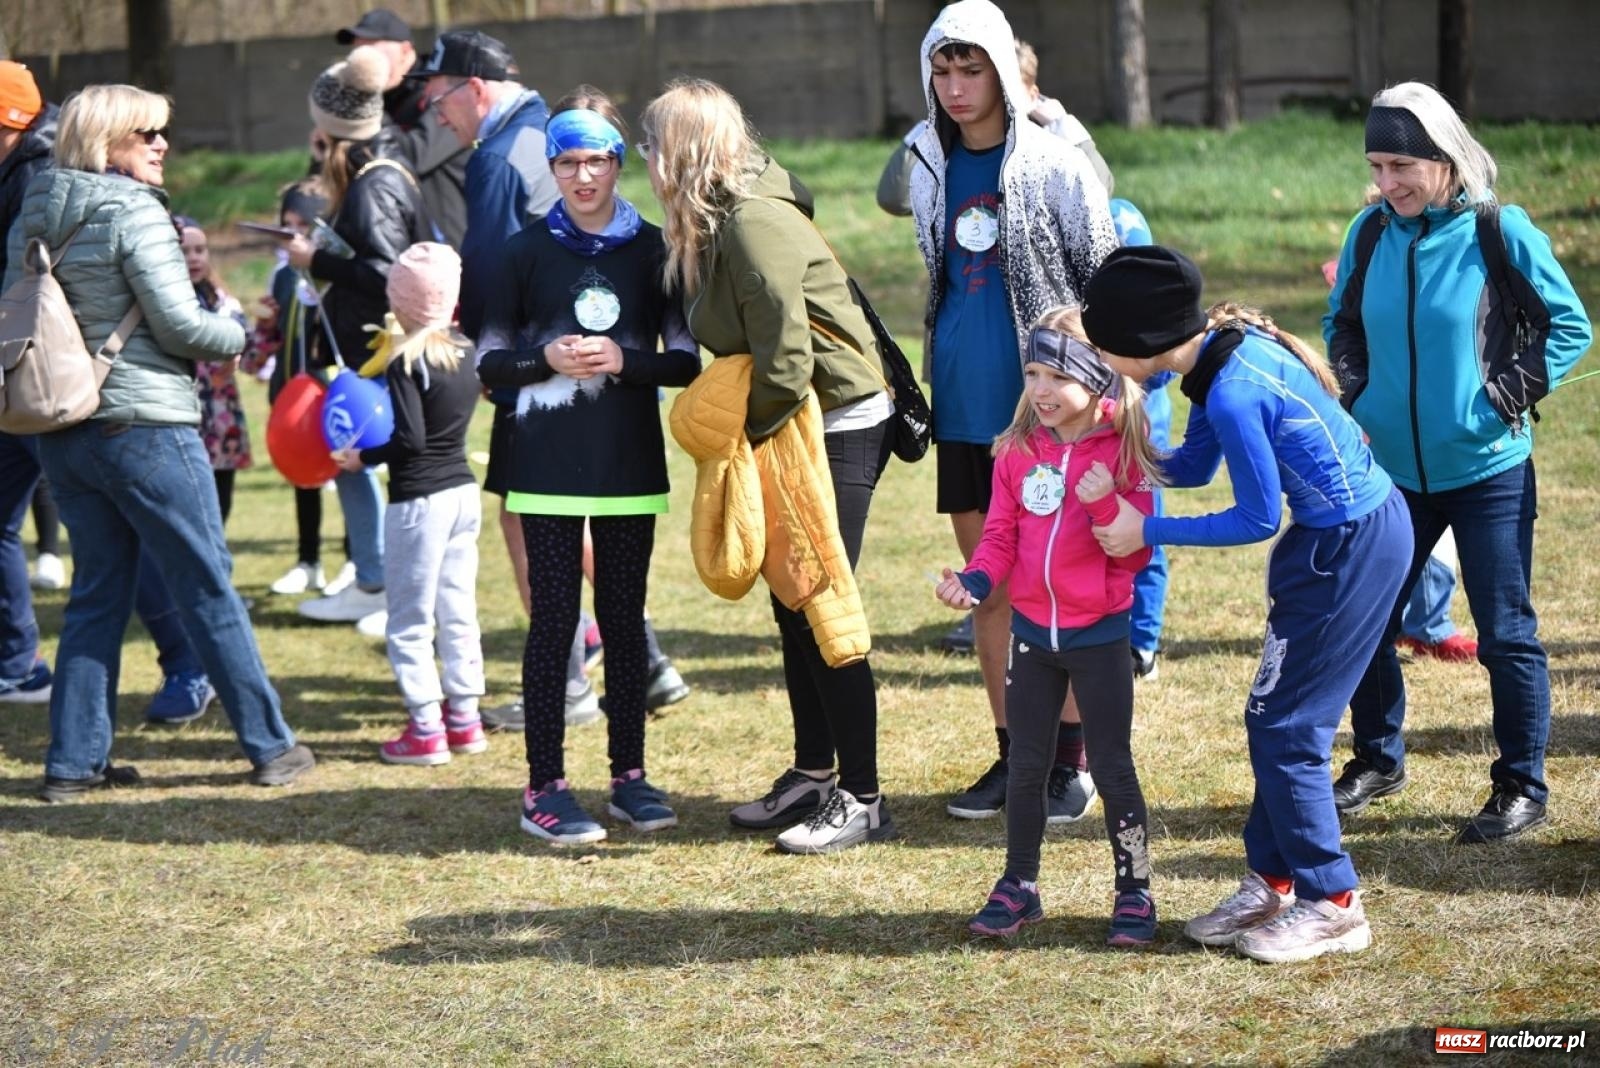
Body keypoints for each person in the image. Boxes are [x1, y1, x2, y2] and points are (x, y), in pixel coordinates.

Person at [1083, 244, 1410, 964]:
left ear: (1140, 342)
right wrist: (1120, 450)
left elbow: (1257, 518)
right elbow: (1194, 466)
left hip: (1348, 550)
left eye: (1102, 341)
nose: (1098, 354)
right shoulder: (1215, 361)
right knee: (1273, 718)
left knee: (1288, 729)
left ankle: (1335, 904)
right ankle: (1272, 882)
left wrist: (1147, 528)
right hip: (1337, 544)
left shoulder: (1231, 388)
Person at [5, 84, 314, 797]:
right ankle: (272, 747)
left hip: (63, 429)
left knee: (95, 597)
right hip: (145, 427)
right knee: (207, 586)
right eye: (147, 133)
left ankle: (72, 765)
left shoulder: (35, 207)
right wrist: (238, 334)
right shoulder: (134, 211)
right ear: (110, 140)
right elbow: (179, 326)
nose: (161, 144)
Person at [1325, 82, 1592, 843]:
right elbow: (1341, 322)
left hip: (1488, 472)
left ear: (1445, 159)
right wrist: (1360, 392)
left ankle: (1520, 785)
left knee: (1505, 631)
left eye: (1402, 164)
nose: (1387, 183)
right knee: (1365, 617)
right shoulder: (1369, 233)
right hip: (1393, 475)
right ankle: (1377, 758)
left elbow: (1568, 327)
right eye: (1377, 165)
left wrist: (1497, 401)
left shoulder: (1497, 231)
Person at [642, 77, 896, 854]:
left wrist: (740, 436)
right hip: (793, 417)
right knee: (790, 598)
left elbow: (785, 358)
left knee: (820, 601)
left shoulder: (751, 222)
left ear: (681, 152)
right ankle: (815, 771)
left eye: (650, 146)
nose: (643, 161)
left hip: (835, 421)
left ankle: (862, 795)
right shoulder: (718, 220)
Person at [906, 0, 1119, 825]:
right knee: (989, 589)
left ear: (1002, 69)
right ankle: (1013, 756)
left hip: (1045, 409)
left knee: (1054, 588)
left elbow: (1104, 277)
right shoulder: (925, 157)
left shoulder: (1058, 163)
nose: (956, 89)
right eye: (943, 71)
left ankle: (1071, 764)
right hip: (962, 408)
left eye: (972, 70)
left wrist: (1092, 393)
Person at [478, 91, 700, 843]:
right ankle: (544, 786)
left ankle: (628, 776)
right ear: (552, 168)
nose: (582, 176)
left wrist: (625, 361)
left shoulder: (654, 252)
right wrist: (542, 358)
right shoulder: (521, 253)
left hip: (628, 464)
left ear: (616, 163)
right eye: (567, 163)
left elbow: (686, 362)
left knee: (624, 620)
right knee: (553, 624)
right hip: (543, 463)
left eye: (595, 161)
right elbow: (488, 364)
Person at [934, 309, 1159, 946]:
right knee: (1027, 766)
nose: (1039, 389)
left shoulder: (1125, 452)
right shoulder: (1016, 452)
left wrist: (1101, 502)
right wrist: (975, 581)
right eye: (1032, 372)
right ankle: (1019, 884)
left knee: (1113, 769)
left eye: (1057, 374)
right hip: (1032, 638)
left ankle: (1135, 889)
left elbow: (1137, 551)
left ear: (1096, 377)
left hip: (1100, 640)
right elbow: (1000, 536)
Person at [283, 46, 433, 633]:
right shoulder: (375, 168)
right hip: (370, 351)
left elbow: (392, 271)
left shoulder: (372, 185)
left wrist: (317, 257)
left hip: (383, 352)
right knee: (362, 464)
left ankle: (386, 590)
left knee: (379, 466)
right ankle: (377, 582)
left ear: (330, 126)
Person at [330, 243, 488, 766]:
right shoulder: (467, 351)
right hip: (464, 494)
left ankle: (425, 727)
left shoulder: (405, 359)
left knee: (410, 619)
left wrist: (362, 458)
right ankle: (464, 719)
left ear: (400, 300)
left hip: (419, 501)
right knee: (458, 609)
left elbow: (411, 440)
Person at [246, 178, 358, 597]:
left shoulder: (333, 271)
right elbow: (273, 339)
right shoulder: (282, 273)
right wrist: (268, 323)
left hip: (329, 390)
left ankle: (354, 560)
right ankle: (308, 561)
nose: (292, 233)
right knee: (302, 475)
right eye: (286, 223)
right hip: (289, 389)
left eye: (302, 225)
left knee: (347, 474)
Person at [875, 38, 1113, 219]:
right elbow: (895, 199)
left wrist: (1061, 124)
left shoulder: (1053, 144)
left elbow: (1099, 196)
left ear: (1032, 95)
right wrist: (927, 128)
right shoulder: (951, 146)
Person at [0, 61, 55, 704]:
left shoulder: (40, 172)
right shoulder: (14, 165)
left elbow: (26, 275)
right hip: (8, 371)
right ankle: (19, 665)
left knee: (110, 529)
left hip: (41, 373)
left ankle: (187, 662)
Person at [334, 8, 471, 248]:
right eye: (357, 52)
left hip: (452, 247)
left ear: (405, 50)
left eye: (371, 52)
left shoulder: (442, 91)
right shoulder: (385, 96)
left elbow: (414, 156)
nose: (362, 63)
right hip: (404, 243)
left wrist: (366, 111)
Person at [177, 217, 252, 524]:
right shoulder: (170, 305)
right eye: (185, 251)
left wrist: (265, 329)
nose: (194, 258)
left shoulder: (224, 302)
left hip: (222, 422)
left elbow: (250, 355)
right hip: (187, 419)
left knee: (220, 509)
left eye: (200, 250)